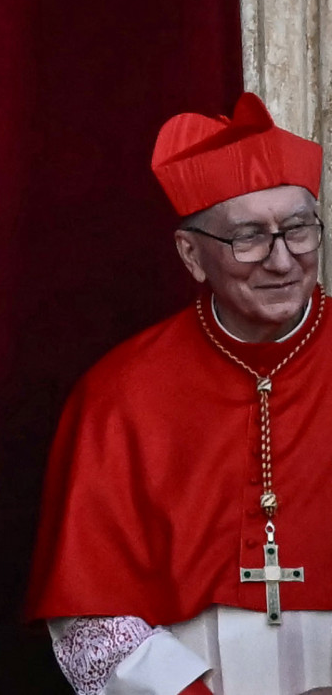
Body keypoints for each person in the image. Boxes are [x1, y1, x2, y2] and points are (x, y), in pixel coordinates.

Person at [26, 92, 332, 695]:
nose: (281, 261)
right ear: (191, 255)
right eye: (249, 237)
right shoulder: (120, 393)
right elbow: (93, 619)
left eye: (298, 230)